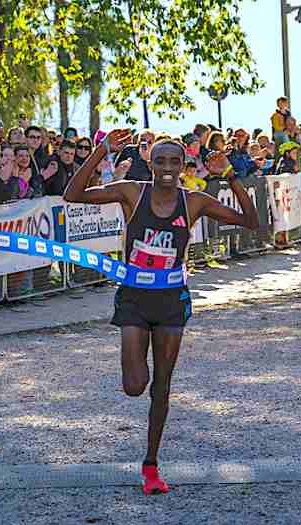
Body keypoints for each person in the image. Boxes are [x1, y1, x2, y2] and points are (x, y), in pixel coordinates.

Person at [63, 130, 258, 495]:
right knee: (135, 386)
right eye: (160, 161)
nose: (167, 168)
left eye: (174, 161)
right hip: (135, 298)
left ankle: (151, 465)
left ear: (183, 166)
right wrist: (99, 153)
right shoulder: (132, 192)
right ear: (150, 164)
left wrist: (231, 175)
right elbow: (72, 196)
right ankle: (139, 364)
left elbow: (252, 222)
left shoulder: (195, 201)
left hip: (171, 301)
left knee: (162, 386)